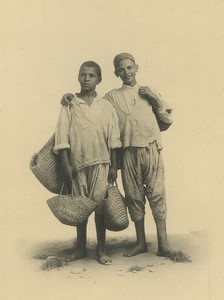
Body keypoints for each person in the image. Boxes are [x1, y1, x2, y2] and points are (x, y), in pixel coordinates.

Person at [61, 53, 175, 258]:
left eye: (130, 67)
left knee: (157, 194)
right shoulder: (111, 97)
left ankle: (164, 244)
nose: (126, 72)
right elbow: (90, 105)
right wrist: (68, 96)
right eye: (121, 69)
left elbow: (166, 121)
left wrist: (154, 97)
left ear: (136, 68)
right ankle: (140, 243)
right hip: (127, 152)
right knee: (133, 196)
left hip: (151, 148)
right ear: (116, 73)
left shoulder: (148, 91)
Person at [54, 61, 122, 264]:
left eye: (91, 75)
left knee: (100, 207)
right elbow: (62, 135)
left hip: (102, 163)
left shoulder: (106, 106)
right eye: (83, 75)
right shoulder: (70, 105)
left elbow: (114, 138)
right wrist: (66, 164)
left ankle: (101, 249)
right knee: (81, 206)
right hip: (78, 164)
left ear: (99, 80)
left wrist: (114, 166)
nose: (86, 79)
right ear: (77, 77)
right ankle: (81, 248)